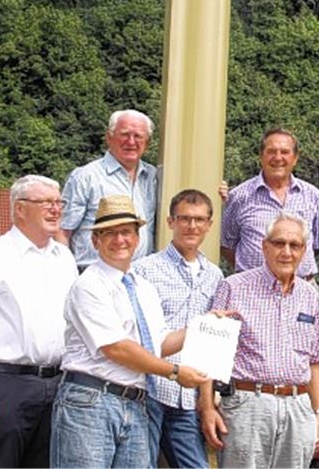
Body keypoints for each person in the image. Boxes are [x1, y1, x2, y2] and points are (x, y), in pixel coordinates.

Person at [51, 195, 209, 468]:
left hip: (136, 404)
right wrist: (172, 372)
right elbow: (116, 348)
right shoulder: (89, 285)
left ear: (137, 238)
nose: (119, 240)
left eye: (125, 232)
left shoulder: (143, 288)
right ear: (95, 241)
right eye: (109, 234)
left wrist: (204, 325)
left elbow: (159, 343)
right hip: (91, 402)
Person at [0, 175, 78, 468]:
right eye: (46, 202)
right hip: (7, 385)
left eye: (59, 202)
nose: (56, 209)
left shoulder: (65, 260)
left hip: (58, 383)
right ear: (20, 209)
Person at [200, 214, 319, 468]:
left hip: (298, 406)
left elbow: (314, 361)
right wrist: (207, 407)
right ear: (264, 246)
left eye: (294, 245)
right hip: (248, 404)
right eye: (279, 243)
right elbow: (211, 356)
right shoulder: (233, 288)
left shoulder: (310, 296)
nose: (286, 252)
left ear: (304, 251)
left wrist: (318, 412)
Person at [133, 189, 223, 468]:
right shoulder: (144, 270)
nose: (192, 226)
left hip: (187, 395)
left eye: (199, 220)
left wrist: (206, 404)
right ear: (171, 222)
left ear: (209, 224)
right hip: (149, 391)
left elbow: (210, 345)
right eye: (184, 218)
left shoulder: (215, 276)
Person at [60, 109, 160, 269]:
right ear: (109, 137)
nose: (131, 142)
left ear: (147, 143)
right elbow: (63, 232)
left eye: (138, 136)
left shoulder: (154, 177)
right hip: (92, 276)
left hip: (140, 279)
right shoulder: (86, 176)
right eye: (124, 134)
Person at [221, 127, 319, 278]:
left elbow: (315, 245)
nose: (278, 157)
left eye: (285, 152)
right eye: (271, 151)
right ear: (261, 157)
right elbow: (226, 244)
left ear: (295, 158)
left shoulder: (312, 195)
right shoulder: (239, 196)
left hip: (302, 289)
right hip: (251, 291)